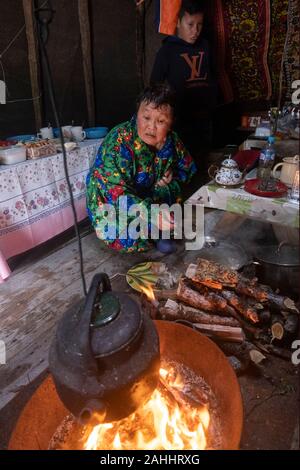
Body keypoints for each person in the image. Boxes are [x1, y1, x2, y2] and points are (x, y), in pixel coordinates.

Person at [86, 83, 196, 254]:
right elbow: (116, 194)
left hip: (146, 193)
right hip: (111, 199)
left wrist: (173, 176)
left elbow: (188, 170)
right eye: (146, 118)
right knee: (122, 234)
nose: (151, 127)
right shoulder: (119, 142)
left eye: (160, 121)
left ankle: (158, 230)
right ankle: (152, 230)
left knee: (170, 189)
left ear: (171, 123)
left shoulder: (172, 141)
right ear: (137, 114)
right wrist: (151, 213)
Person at [151, 0, 217, 173]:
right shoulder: (167, 51)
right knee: (183, 167)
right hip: (180, 121)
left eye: (199, 25)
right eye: (190, 25)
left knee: (203, 164)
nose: (195, 31)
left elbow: (211, 76)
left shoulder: (205, 46)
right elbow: (154, 86)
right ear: (178, 23)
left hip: (204, 120)